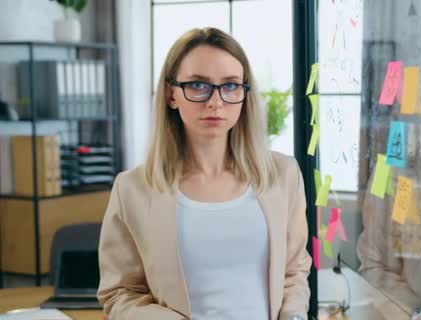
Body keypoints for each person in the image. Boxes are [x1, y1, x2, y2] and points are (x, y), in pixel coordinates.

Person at [97, 27, 311, 320]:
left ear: (245, 93)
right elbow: (120, 292)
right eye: (198, 85)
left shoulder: (283, 175)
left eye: (231, 85)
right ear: (172, 94)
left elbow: (294, 271)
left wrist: (294, 317)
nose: (215, 101)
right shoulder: (132, 189)